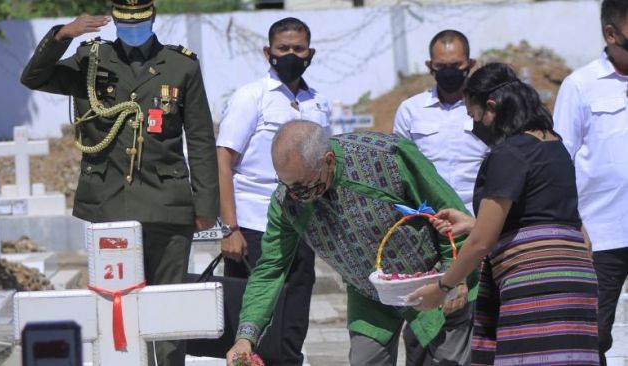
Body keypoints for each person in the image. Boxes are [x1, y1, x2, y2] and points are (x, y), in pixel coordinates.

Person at [20, 1, 219, 365]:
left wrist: (206, 207)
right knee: (115, 305)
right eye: (124, 23)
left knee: (169, 306)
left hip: (166, 207)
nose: (132, 29)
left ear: (152, 18)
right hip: (108, 204)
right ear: (113, 21)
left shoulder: (181, 65)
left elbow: (201, 138)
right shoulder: (92, 60)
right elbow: (34, 77)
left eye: (139, 23)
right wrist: (61, 35)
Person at [226, 120, 479, 366]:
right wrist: (246, 337)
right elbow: (270, 270)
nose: (295, 197)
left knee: (449, 360)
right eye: (286, 185)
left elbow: (447, 210)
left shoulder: (387, 156)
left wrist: (452, 274)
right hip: (368, 293)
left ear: (328, 161)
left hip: (431, 279)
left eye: (303, 187)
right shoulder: (287, 202)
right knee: (366, 359)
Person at [410, 63, 600, 365]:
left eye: (474, 116)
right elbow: (544, 215)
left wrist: (443, 287)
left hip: (535, 282)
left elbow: (482, 244)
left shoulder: (509, 153)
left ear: (492, 107)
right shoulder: (555, 145)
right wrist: (473, 224)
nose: (475, 127)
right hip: (575, 278)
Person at [216, 17, 330, 366]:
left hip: (302, 225)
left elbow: (328, 165)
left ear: (310, 53)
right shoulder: (251, 97)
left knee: (294, 316)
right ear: (269, 52)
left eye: (298, 49)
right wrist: (230, 228)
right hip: (253, 225)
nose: (291, 55)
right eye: (283, 49)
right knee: (251, 315)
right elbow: (223, 161)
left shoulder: (318, 103)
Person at [553, 1, 628, 364]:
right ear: (611, 34)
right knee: (592, 334)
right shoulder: (580, 86)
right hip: (601, 235)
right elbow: (559, 161)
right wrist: (572, 222)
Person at [393, 30, 487, 214]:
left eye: (455, 65)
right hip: (431, 218)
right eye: (441, 66)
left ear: (471, 64)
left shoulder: (486, 108)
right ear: (430, 66)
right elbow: (399, 165)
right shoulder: (411, 110)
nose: (449, 72)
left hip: (479, 218)